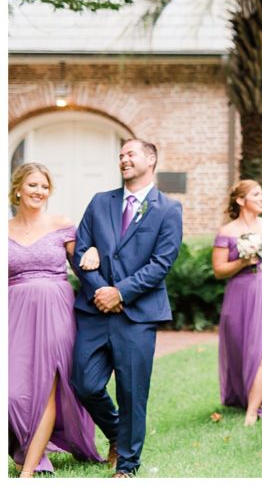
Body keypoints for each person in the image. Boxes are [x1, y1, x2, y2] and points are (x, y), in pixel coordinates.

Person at [69, 139, 183, 477]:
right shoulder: (100, 202)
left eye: (130, 154)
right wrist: (101, 290)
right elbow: (80, 252)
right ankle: (119, 433)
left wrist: (119, 292)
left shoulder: (167, 209)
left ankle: (128, 465)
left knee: (132, 391)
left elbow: (161, 263)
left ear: (151, 160)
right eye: (120, 155)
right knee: (84, 383)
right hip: (94, 311)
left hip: (137, 315)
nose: (123, 159)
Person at [8, 163, 103, 477]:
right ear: (18, 189)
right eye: (33, 185)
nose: (39, 192)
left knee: (46, 386)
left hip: (55, 311)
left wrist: (94, 256)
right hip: (14, 313)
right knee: (11, 393)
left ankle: (28, 470)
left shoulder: (62, 225)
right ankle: (23, 452)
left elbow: (83, 269)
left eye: (44, 187)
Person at [211, 180, 262, 425]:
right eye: (256, 194)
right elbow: (218, 270)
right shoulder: (227, 232)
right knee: (239, 346)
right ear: (241, 200)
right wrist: (243, 261)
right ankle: (243, 394)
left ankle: (255, 406)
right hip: (239, 292)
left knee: (261, 349)